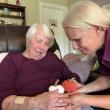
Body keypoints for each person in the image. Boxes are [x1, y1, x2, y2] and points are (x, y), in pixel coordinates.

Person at [0, 23, 80, 110]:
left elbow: (71, 77)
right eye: (39, 41)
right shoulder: (11, 61)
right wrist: (35, 103)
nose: (42, 47)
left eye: (46, 44)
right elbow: (5, 102)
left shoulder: (52, 58)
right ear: (27, 40)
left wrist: (71, 85)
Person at [60, 0, 110, 109]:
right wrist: (82, 89)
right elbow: (107, 78)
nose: (74, 47)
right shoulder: (101, 47)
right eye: (71, 41)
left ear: (97, 28)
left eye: (77, 39)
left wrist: (84, 99)